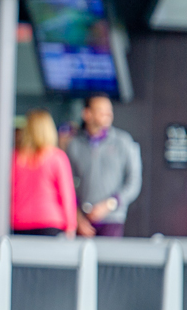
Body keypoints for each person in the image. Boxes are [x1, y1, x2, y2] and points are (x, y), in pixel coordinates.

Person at [64, 93, 142, 238]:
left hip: (112, 219)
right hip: (83, 221)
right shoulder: (74, 144)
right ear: (87, 114)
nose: (107, 114)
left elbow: (134, 182)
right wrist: (76, 216)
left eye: (109, 111)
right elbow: (67, 184)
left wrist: (110, 204)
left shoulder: (123, 142)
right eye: (101, 110)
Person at [11, 109, 77, 237]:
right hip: (50, 222)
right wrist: (71, 225)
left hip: (18, 221)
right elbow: (66, 194)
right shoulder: (57, 157)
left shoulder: (15, 158)